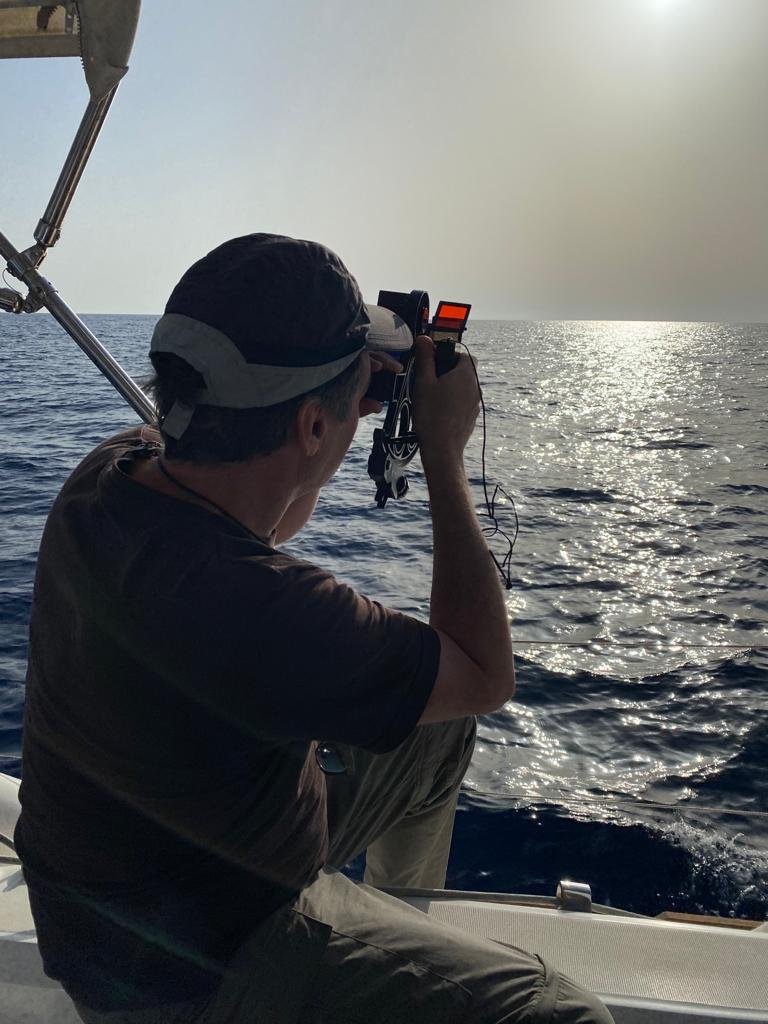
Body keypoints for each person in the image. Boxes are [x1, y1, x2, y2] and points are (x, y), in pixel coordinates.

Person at [15, 233, 613, 1024]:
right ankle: (352, 961)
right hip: (194, 962)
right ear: (306, 427)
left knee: (433, 733)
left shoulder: (108, 475)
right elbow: (482, 671)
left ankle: (390, 932)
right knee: (562, 1015)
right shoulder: (266, 612)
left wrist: (331, 414)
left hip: (109, 891)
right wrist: (441, 452)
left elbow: (257, 512)